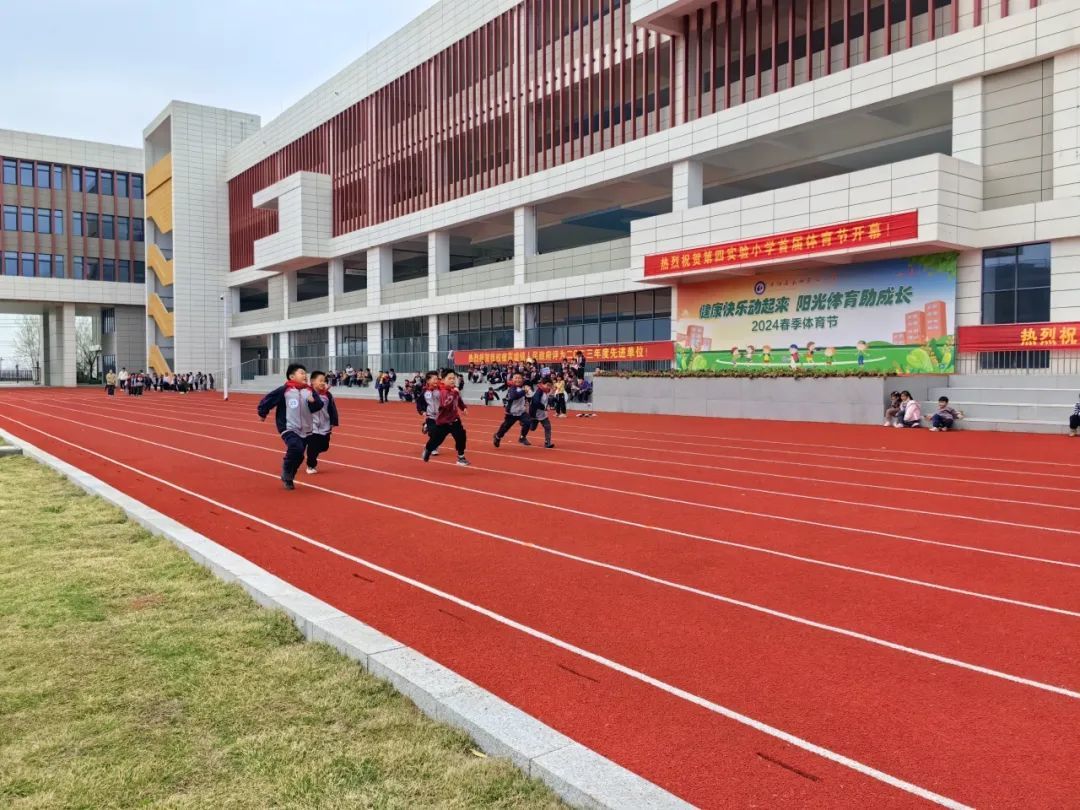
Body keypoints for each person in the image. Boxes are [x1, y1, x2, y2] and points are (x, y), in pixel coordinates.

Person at [256, 363, 325, 490]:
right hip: (288, 426)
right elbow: (268, 400)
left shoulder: (309, 391)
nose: (305, 375)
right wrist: (262, 412)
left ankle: (289, 477)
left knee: (300, 455)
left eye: (305, 373)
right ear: (292, 376)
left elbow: (318, 406)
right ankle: (286, 470)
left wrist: (314, 401)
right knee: (295, 447)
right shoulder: (284, 390)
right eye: (301, 373)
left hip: (306, 429)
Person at [422, 370, 470, 466]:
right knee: (436, 440)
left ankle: (461, 457)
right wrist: (455, 393)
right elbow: (445, 404)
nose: (452, 380)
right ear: (443, 380)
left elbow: (458, 400)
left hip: (454, 419)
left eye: (454, 378)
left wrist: (463, 407)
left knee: (461, 437)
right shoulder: (442, 392)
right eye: (450, 378)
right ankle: (428, 449)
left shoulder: (454, 390)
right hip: (443, 422)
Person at [305, 371, 339, 474]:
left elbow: (332, 409)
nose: (323, 383)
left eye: (324, 381)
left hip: (325, 425)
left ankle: (312, 452)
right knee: (313, 447)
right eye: (320, 380)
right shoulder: (307, 393)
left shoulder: (327, 395)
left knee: (325, 447)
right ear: (312, 381)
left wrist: (333, 421)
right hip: (312, 426)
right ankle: (311, 465)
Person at [493, 373, 532, 447]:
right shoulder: (512, 388)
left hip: (521, 412)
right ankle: (497, 437)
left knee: (528, 422)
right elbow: (514, 396)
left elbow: (529, 396)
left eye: (519, 378)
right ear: (512, 380)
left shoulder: (524, 387)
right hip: (511, 413)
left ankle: (522, 437)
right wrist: (524, 391)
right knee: (505, 427)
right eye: (516, 378)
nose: (517, 379)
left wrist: (528, 392)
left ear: (522, 379)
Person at [527, 376, 556, 449]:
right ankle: (525, 423)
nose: (548, 387)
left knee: (547, 426)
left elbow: (547, 400)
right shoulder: (539, 391)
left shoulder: (546, 391)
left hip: (543, 414)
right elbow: (536, 402)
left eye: (550, 385)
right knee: (532, 428)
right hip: (535, 413)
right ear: (543, 384)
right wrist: (544, 407)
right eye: (547, 385)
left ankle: (547, 442)